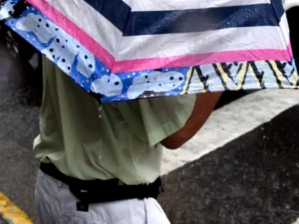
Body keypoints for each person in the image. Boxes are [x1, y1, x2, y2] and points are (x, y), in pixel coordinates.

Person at [34, 56, 223, 223]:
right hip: (109, 206)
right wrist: (222, 70)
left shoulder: (72, 17)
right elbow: (176, 133)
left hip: (52, 187)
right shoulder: (130, 41)